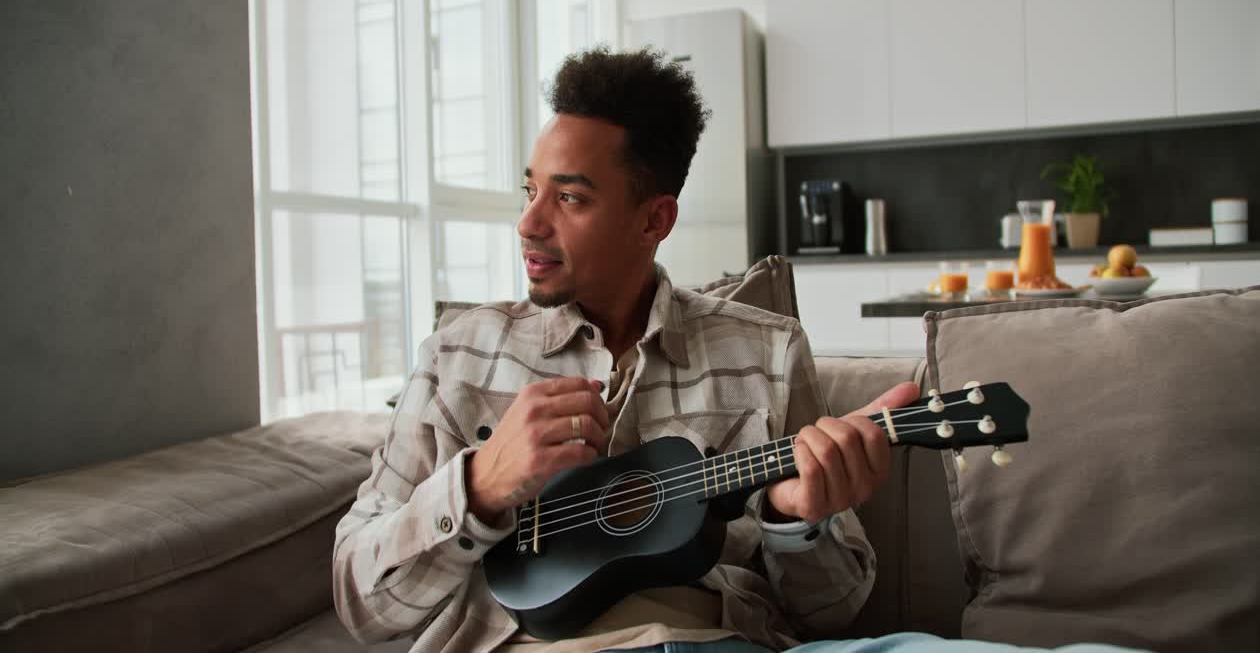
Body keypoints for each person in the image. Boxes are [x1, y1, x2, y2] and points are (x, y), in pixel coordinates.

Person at [332, 48, 1135, 653]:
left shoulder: (768, 352)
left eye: (569, 197)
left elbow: (830, 613)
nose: (529, 223)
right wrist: (477, 486)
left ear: (655, 220)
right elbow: (361, 603)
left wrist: (798, 522)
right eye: (529, 190)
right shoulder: (459, 354)